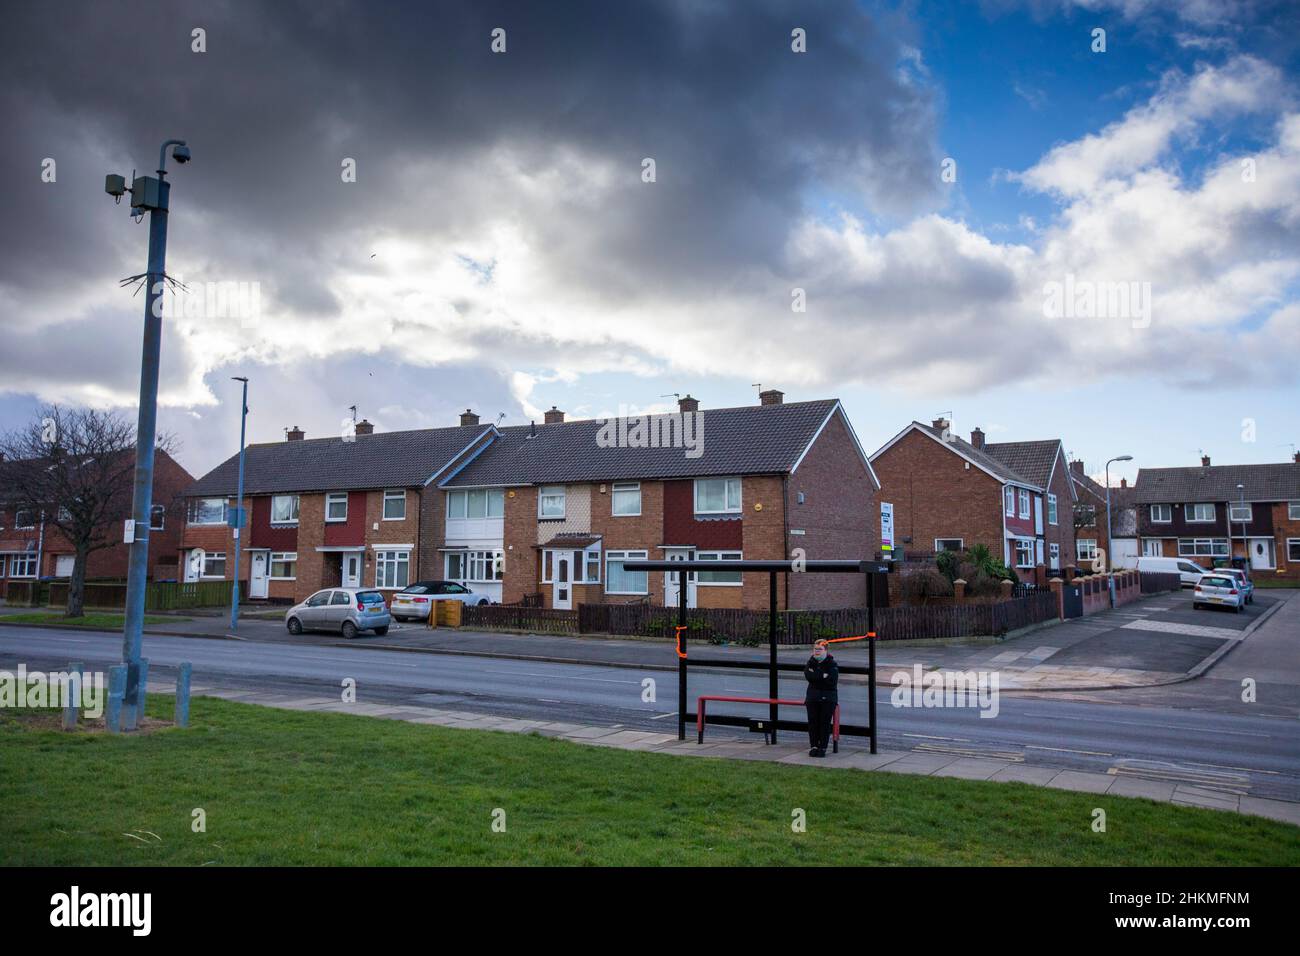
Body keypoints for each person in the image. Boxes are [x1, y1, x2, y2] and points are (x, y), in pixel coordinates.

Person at [804, 639, 839, 757]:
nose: (817, 651)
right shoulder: (811, 662)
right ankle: (813, 746)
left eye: (820, 649)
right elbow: (809, 676)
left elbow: (831, 681)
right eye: (815, 649)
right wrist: (822, 676)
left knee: (824, 723)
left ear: (826, 650)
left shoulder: (831, 664)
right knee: (813, 722)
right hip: (812, 698)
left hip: (828, 698)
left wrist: (817, 677)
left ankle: (823, 747)